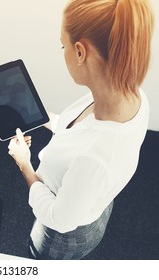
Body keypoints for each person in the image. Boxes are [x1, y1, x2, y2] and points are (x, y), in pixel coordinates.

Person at [8, 0, 154, 259]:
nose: (62, 51)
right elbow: (77, 132)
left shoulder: (94, 157)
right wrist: (40, 116)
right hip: (92, 201)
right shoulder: (132, 96)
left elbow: (58, 219)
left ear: (79, 52)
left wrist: (24, 165)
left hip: (62, 234)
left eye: (62, 45)